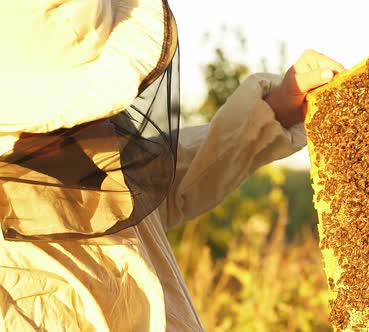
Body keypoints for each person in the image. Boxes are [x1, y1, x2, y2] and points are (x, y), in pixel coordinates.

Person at [0, 0, 344, 330]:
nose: (100, 126)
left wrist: (273, 111)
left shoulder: (94, 162)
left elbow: (167, 180)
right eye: (78, 118)